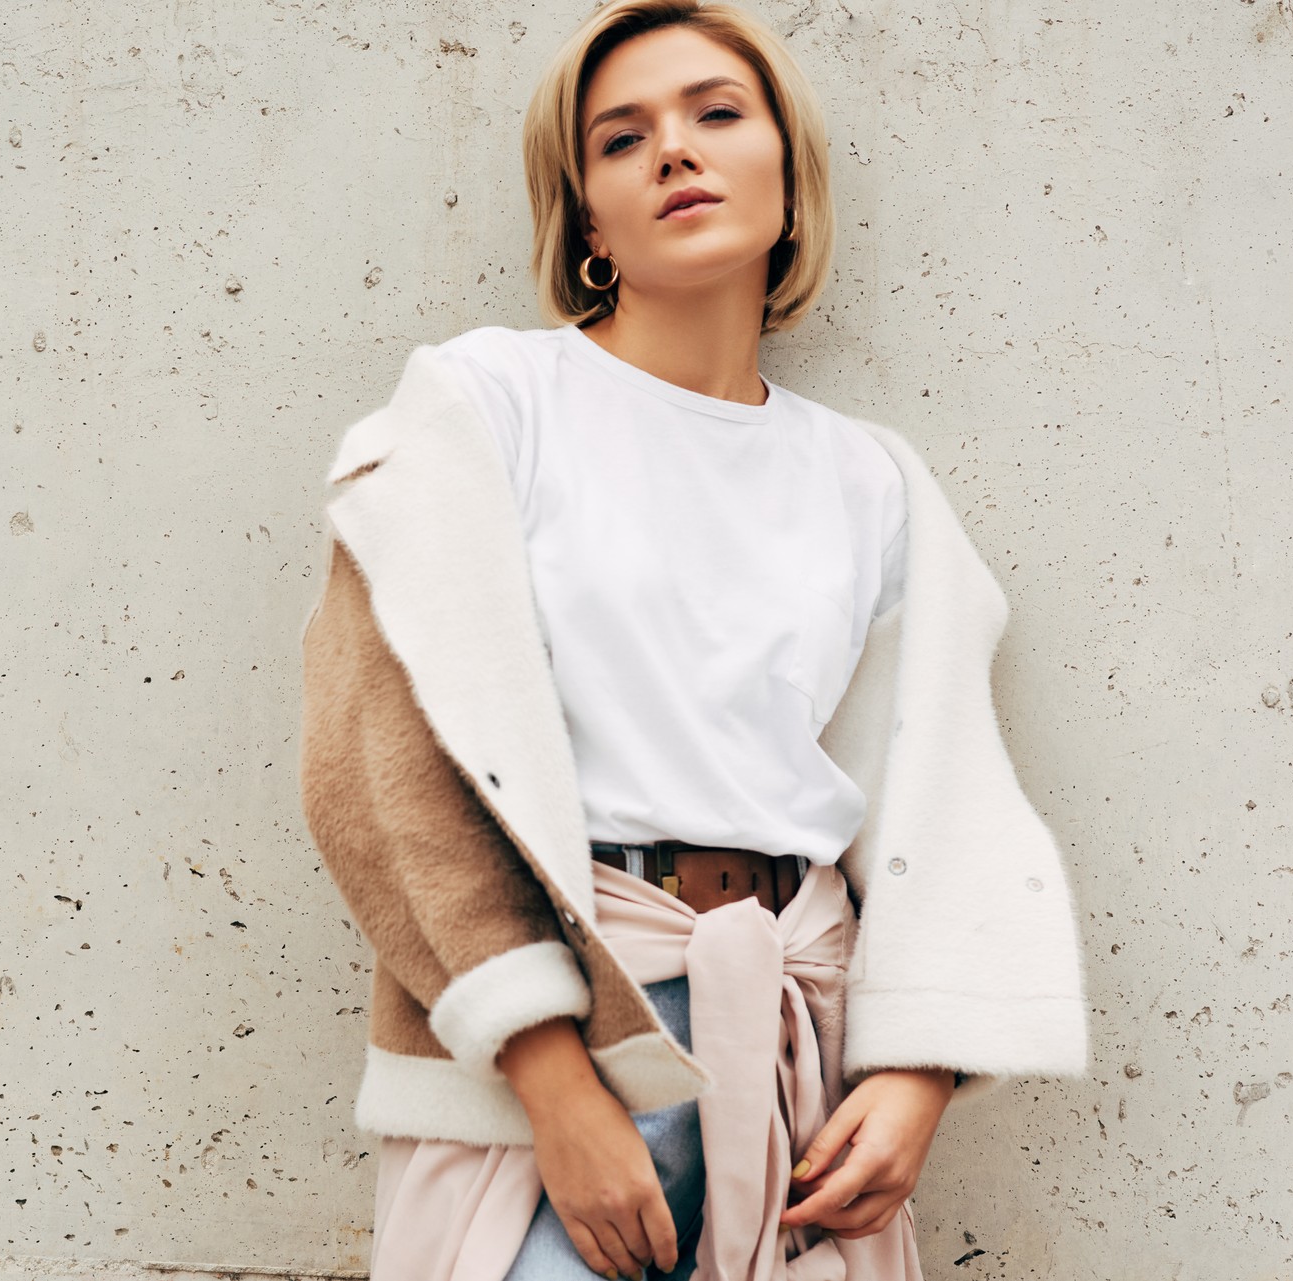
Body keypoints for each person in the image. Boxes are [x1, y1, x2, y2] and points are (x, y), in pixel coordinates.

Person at [296, 4, 1089, 1279]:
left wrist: (921, 1071)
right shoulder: (489, 404)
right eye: (623, 138)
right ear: (589, 216)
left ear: (788, 174)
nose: (675, 151)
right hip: (554, 1042)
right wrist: (555, 1085)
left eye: (717, 114)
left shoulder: (870, 481)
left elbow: (945, 795)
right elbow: (378, 761)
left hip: (797, 1058)